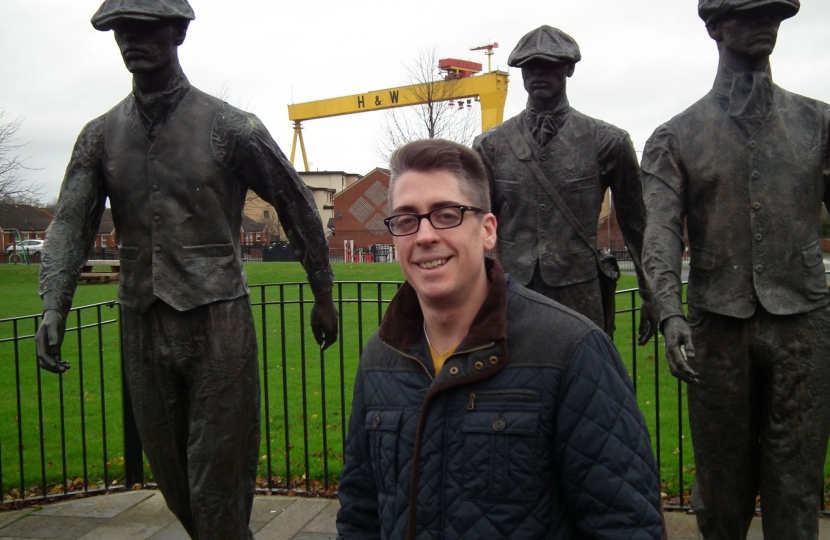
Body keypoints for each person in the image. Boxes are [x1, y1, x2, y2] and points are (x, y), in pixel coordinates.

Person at [34, 1, 338, 538]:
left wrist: (322, 292)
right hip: (142, 321)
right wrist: (54, 305)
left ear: (177, 33)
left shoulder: (231, 126)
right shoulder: (100, 135)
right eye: (121, 31)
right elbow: (70, 224)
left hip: (218, 321)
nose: (131, 41)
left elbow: (296, 206)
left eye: (144, 29)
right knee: (173, 476)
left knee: (218, 479)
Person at [336, 139, 664, 539]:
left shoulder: (571, 352)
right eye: (406, 220)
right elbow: (360, 511)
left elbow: (626, 525)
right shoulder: (381, 355)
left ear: (488, 230)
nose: (424, 235)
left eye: (446, 215)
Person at [641, 0, 830, 537]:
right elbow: (659, 232)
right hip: (716, 327)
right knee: (721, 490)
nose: (765, 24)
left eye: (774, 15)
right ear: (717, 28)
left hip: (804, 323)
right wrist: (669, 311)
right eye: (750, 15)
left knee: (796, 485)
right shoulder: (675, 135)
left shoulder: (819, 123)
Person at [473, 25, 656, 341]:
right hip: (513, 294)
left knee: (585, 369)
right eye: (530, 66)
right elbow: (476, 227)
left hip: (581, 294)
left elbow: (636, 225)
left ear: (569, 68)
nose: (538, 73)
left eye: (549, 65)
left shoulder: (608, 141)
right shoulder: (490, 146)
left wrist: (651, 293)